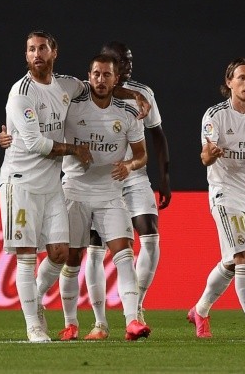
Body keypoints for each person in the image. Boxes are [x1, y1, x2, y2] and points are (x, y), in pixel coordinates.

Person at [0, 30, 150, 343]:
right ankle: (34, 324)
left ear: (54, 52)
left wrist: (136, 96)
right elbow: (33, 142)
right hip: (22, 183)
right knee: (28, 256)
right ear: (26, 55)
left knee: (59, 253)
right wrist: (75, 150)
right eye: (31, 49)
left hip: (53, 184)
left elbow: (103, 88)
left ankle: (39, 299)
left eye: (42, 48)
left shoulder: (68, 86)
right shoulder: (22, 93)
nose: (36, 54)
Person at [57, 53, 151, 341]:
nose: (100, 79)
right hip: (74, 190)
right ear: (89, 76)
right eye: (96, 74)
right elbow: (45, 133)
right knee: (72, 259)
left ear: (115, 79)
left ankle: (133, 321)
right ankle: (71, 324)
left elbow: (142, 155)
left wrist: (129, 166)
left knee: (124, 254)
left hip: (111, 192)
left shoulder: (127, 113)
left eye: (106, 74)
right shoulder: (71, 108)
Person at [83, 41, 171, 337]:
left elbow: (157, 135)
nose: (128, 64)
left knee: (150, 235)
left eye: (130, 60)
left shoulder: (145, 93)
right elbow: (103, 92)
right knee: (95, 248)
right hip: (100, 177)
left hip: (133, 173)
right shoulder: (88, 89)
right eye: (123, 59)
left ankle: (137, 307)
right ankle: (99, 321)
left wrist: (165, 176)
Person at [187, 58, 245, 339]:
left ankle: (201, 309)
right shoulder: (215, 115)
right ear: (229, 82)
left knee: (232, 262)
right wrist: (210, 154)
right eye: (241, 78)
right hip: (224, 193)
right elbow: (206, 154)